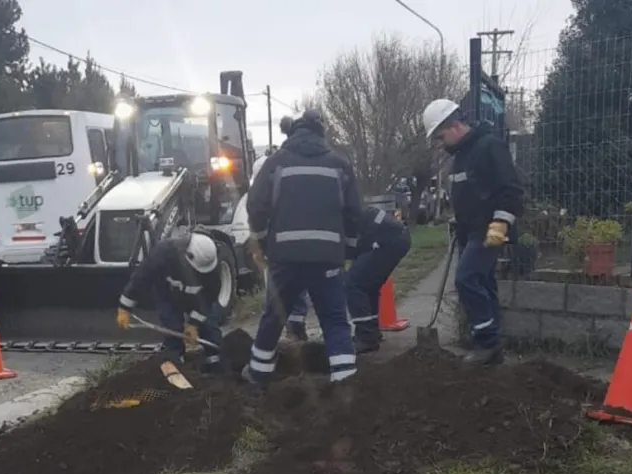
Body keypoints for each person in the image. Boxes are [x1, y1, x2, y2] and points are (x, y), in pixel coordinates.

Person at [242, 109, 361, 386]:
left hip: (285, 257)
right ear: (322, 132)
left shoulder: (276, 162)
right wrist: (349, 250)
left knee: (274, 315)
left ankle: (258, 375)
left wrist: (262, 240)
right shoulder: (340, 164)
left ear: (292, 131)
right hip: (327, 258)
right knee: (333, 318)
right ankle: (346, 383)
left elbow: (255, 205)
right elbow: (354, 213)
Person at [422, 98, 524, 365]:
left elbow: (511, 189)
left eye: (440, 137)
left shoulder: (489, 147)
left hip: (489, 229)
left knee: (466, 279)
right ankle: (492, 346)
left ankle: (486, 340)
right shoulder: (461, 157)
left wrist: (501, 222)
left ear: (454, 125)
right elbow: (468, 195)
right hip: (470, 232)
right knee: (484, 282)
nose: (440, 144)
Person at [286, 205, 411, 353]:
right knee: (366, 286)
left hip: (384, 239)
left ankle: (366, 337)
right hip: (393, 236)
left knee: (354, 284)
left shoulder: (325, 227)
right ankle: (371, 333)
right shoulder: (326, 219)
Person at [116, 231, 224, 374]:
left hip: (198, 298)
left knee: (210, 327)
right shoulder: (163, 253)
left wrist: (194, 324)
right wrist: (125, 308)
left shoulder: (211, 267)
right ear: (187, 256)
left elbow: (208, 300)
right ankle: (176, 362)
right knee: (172, 327)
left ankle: (216, 365)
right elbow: (140, 279)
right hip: (167, 293)